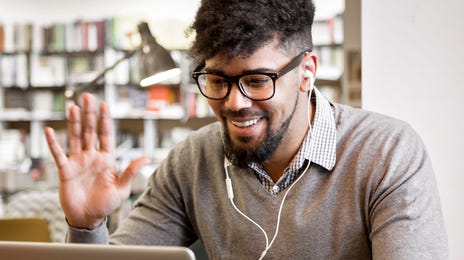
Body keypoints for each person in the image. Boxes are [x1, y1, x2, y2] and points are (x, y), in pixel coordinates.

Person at [44, 0, 448, 259]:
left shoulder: (387, 153)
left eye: (257, 81)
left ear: (306, 72)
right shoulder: (191, 161)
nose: (234, 104)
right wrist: (86, 226)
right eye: (217, 80)